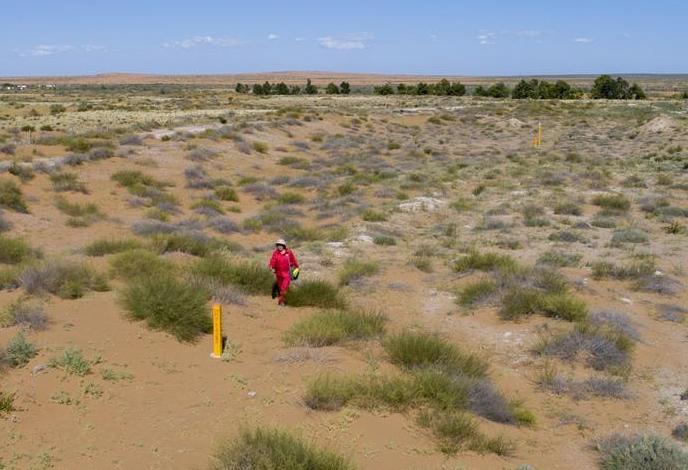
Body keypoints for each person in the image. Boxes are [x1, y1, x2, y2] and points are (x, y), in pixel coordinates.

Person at [268, 239, 299, 306]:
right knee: (281, 288)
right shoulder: (275, 253)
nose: (279, 246)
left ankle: (281, 302)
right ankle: (284, 300)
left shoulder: (289, 252)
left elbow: (293, 260)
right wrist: (271, 267)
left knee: (283, 288)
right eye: (278, 245)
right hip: (278, 274)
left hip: (287, 274)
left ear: (284, 246)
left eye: (281, 245)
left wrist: (297, 267)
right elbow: (272, 260)